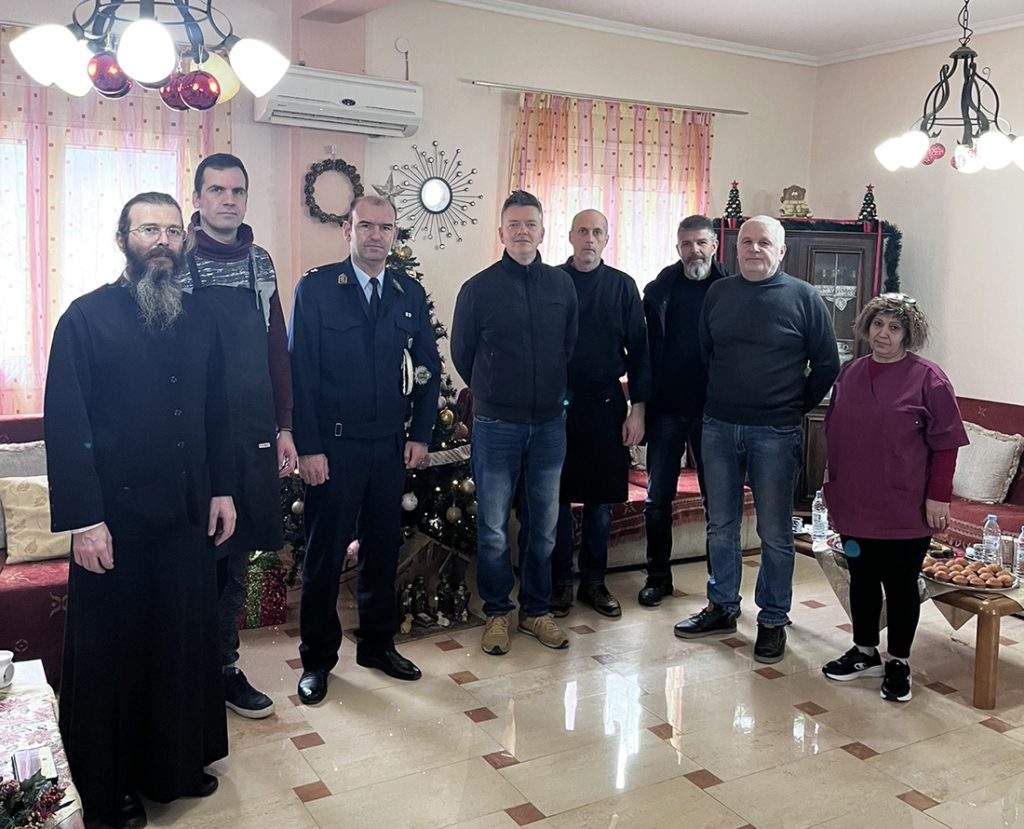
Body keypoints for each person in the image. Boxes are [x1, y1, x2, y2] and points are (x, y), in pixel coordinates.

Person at [44, 192, 236, 827]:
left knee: (180, 643)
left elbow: (217, 411)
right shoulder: (85, 319)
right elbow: (66, 424)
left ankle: (174, 765)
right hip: (114, 525)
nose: (163, 241)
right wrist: (85, 522)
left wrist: (222, 489)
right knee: (115, 656)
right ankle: (113, 784)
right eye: (149, 229)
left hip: (184, 516)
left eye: (173, 231)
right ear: (122, 239)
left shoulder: (200, 317)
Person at [289, 195, 441, 704]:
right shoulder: (316, 289)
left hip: (388, 445)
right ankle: (317, 660)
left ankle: (377, 645)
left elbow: (427, 367)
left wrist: (421, 434)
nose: (376, 235)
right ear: (347, 231)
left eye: (385, 227)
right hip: (333, 448)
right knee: (324, 556)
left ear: (395, 234)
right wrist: (309, 447)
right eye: (365, 226)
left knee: (382, 550)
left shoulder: (407, 292)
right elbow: (300, 372)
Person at [675, 216, 840, 665]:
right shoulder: (718, 294)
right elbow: (708, 353)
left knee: (774, 531)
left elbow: (827, 364)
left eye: (763, 242)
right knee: (720, 524)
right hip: (718, 427)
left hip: (776, 432)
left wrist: (794, 406)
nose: (753, 249)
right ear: (734, 249)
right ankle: (722, 607)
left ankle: (772, 619)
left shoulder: (804, 298)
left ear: (781, 251)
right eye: (746, 241)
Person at [182, 152, 294, 720]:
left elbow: (277, 349)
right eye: (217, 190)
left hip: (252, 433)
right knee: (196, 558)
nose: (228, 200)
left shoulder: (261, 262)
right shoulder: (176, 260)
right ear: (197, 198)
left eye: (237, 191)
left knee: (237, 560)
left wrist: (285, 426)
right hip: (194, 439)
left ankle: (224, 668)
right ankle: (186, 673)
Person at [821, 294, 967, 702]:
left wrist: (938, 498)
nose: (883, 334)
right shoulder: (850, 373)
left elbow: (946, 445)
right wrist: (831, 485)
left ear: (908, 333)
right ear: (866, 327)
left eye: (894, 327)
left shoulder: (929, 379)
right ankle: (865, 651)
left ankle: (899, 661)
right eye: (877, 324)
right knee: (862, 578)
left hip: (905, 507)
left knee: (901, 585)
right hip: (854, 505)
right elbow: (835, 432)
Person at [451, 190, 578, 655]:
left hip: (548, 426)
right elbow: (462, 354)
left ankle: (537, 612)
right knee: (493, 527)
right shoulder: (478, 289)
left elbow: (568, 346)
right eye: (514, 224)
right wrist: (494, 393)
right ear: (501, 232)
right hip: (496, 427)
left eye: (531, 224)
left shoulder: (562, 286)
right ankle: (497, 613)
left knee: (544, 527)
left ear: (543, 232)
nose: (523, 231)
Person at [547, 209, 650, 618]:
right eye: (583, 231)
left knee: (600, 502)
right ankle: (559, 584)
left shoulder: (623, 286)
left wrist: (637, 410)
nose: (589, 239)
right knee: (555, 499)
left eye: (597, 232)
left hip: (607, 403)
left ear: (606, 239)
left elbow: (640, 351)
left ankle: (593, 583)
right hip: (555, 405)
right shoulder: (552, 281)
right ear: (570, 236)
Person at [639, 215, 728, 607]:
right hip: (666, 411)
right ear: (678, 248)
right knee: (657, 499)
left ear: (714, 246)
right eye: (687, 244)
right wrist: (641, 404)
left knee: (716, 502)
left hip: (715, 413)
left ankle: (719, 585)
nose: (695, 251)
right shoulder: (659, 290)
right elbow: (643, 351)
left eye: (701, 243)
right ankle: (657, 578)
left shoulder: (731, 290)